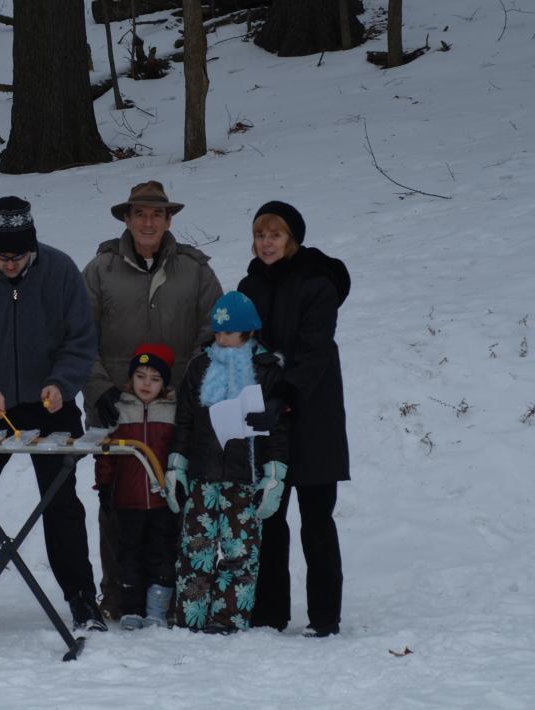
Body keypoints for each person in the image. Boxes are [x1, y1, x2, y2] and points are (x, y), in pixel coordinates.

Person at [0, 196, 106, 633]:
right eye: (1, 257)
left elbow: (80, 340)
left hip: (49, 402)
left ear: (33, 247)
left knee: (62, 501)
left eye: (18, 257)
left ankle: (81, 595)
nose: (9, 265)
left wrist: (61, 384)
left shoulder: (61, 271)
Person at [81, 180, 223, 620]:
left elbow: (213, 333)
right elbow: (78, 336)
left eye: (156, 214)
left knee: (176, 501)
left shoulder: (195, 271)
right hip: (115, 409)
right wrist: (99, 388)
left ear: (168, 220)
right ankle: (117, 595)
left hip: (176, 412)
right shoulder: (100, 269)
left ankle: (174, 592)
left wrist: (192, 391)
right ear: (126, 218)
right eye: (140, 213)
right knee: (116, 503)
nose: (148, 222)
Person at [238, 201, 351, 638]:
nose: (266, 243)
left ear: (293, 240)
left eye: (276, 235)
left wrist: (287, 391)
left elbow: (315, 347)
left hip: (313, 413)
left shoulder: (317, 283)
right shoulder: (249, 285)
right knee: (269, 515)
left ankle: (324, 616)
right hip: (267, 414)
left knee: (317, 519)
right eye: (260, 235)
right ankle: (269, 612)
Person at [165, 291, 289, 634]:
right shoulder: (200, 367)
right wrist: (176, 468)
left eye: (228, 333)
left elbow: (278, 431)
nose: (220, 339)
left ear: (248, 332)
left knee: (241, 553)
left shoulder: (266, 370)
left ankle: (228, 619)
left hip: (244, 478)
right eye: (217, 332)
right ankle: (190, 616)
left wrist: (273, 477)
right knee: (196, 550)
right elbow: (185, 422)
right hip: (203, 476)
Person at [93, 343, 180, 631]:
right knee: (128, 555)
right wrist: (105, 487)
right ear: (131, 378)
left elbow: (179, 452)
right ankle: (131, 608)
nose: (146, 384)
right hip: (127, 501)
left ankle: (157, 610)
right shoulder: (119, 410)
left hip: (163, 502)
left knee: (162, 554)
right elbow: (106, 455)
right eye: (140, 376)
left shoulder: (173, 412)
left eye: (155, 379)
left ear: (164, 384)